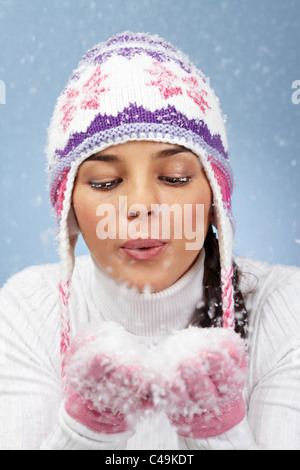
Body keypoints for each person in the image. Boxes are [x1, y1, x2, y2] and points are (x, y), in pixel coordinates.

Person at [0, 31, 299, 451]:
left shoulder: (286, 310)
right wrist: (87, 431)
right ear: (68, 211)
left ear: (215, 198)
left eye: (175, 177)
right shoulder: (26, 310)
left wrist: (216, 430)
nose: (140, 205)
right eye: (105, 183)